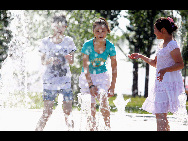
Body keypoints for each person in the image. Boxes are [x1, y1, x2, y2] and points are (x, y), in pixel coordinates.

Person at [129, 17, 186, 131]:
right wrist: (140, 56)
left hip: (169, 83)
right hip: (160, 83)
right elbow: (155, 63)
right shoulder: (161, 45)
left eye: (155, 29)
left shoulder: (172, 45)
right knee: (160, 114)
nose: (154, 32)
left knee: (160, 115)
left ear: (163, 30)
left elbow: (180, 64)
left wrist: (165, 70)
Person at [35, 15, 77, 131]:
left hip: (65, 81)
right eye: (57, 25)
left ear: (65, 27)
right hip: (49, 81)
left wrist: (69, 58)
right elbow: (43, 61)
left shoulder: (69, 41)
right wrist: (51, 60)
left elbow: (72, 61)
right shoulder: (45, 42)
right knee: (47, 112)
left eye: (63, 26)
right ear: (52, 26)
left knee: (68, 111)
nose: (60, 28)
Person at [79, 17, 117, 131]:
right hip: (87, 76)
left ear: (107, 31)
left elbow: (114, 67)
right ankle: (92, 128)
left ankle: (107, 127)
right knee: (91, 107)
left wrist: (112, 86)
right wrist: (90, 85)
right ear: (93, 32)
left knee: (103, 98)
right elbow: (85, 66)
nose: (100, 33)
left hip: (102, 76)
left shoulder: (110, 46)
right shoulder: (87, 45)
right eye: (97, 31)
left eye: (103, 31)